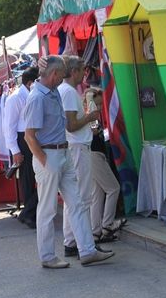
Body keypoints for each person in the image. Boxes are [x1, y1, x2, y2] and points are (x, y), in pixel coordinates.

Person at [24, 55, 113, 269]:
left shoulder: (52, 92)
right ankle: (47, 256)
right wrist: (46, 161)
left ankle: (87, 251)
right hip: (51, 156)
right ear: (54, 75)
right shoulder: (38, 97)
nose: (63, 79)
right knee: (48, 209)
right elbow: (29, 136)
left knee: (78, 203)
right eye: (60, 75)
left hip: (62, 154)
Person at [58, 56, 101, 257]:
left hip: (75, 145)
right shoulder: (68, 91)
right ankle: (82, 242)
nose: (85, 73)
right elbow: (71, 125)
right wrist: (90, 118)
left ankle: (73, 241)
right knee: (82, 197)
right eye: (82, 70)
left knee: (76, 197)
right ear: (74, 71)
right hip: (76, 147)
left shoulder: (66, 91)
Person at [4, 67, 39, 229]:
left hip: (33, 137)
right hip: (23, 140)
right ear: (31, 82)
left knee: (38, 177)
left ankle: (29, 212)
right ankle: (29, 214)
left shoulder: (32, 95)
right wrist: (15, 151)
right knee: (28, 178)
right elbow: (8, 127)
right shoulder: (15, 98)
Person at [85, 87, 122, 243]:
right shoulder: (88, 115)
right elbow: (93, 131)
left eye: (100, 105)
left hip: (93, 155)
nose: (99, 108)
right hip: (93, 155)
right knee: (113, 188)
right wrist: (90, 103)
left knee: (97, 195)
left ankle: (96, 231)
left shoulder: (88, 116)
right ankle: (107, 224)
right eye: (97, 104)